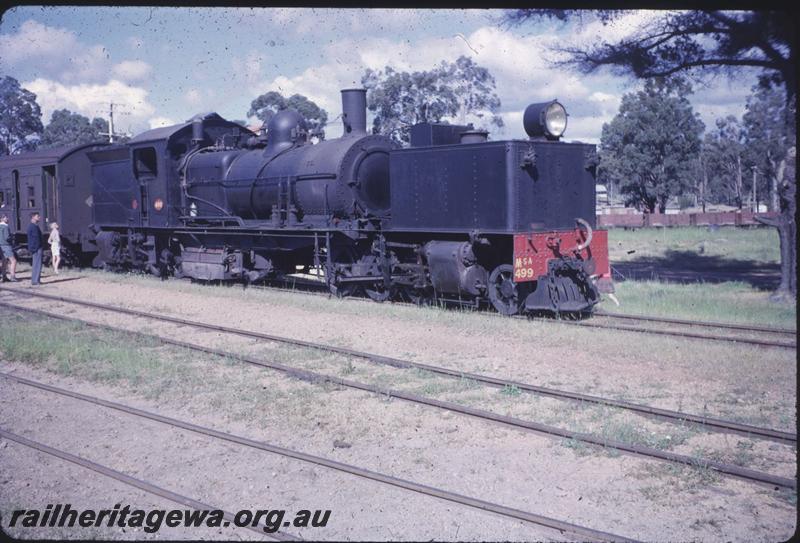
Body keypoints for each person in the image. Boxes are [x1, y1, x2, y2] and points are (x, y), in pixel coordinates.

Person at [27, 212, 43, 286]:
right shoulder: (33, 226)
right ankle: (35, 280)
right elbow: (35, 238)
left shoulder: (32, 226)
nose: (39, 217)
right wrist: (36, 247)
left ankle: (35, 280)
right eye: (37, 216)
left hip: (35, 247)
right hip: (37, 248)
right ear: (33, 217)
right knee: (37, 264)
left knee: (36, 264)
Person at [0, 214, 17, 282]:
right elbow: (7, 237)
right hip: (6, 245)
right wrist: (12, 237)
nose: (7, 218)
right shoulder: (5, 227)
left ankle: (3, 276)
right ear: (2, 219)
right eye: (6, 217)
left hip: (1, 246)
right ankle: (12, 276)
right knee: (13, 261)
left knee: (4, 261)